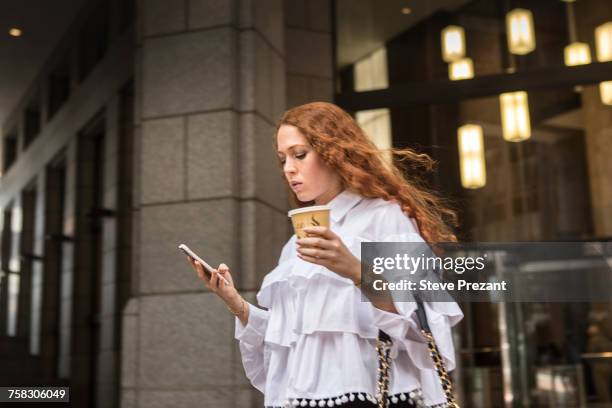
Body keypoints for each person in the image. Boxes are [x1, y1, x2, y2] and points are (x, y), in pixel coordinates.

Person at [187, 102, 463, 408]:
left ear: (334, 154)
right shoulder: (294, 245)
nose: (289, 168)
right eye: (282, 159)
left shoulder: (385, 217)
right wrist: (236, 304)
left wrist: (356, 271)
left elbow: (424, 330)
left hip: (375, 396)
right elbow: (294, 341)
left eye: (299, 154)